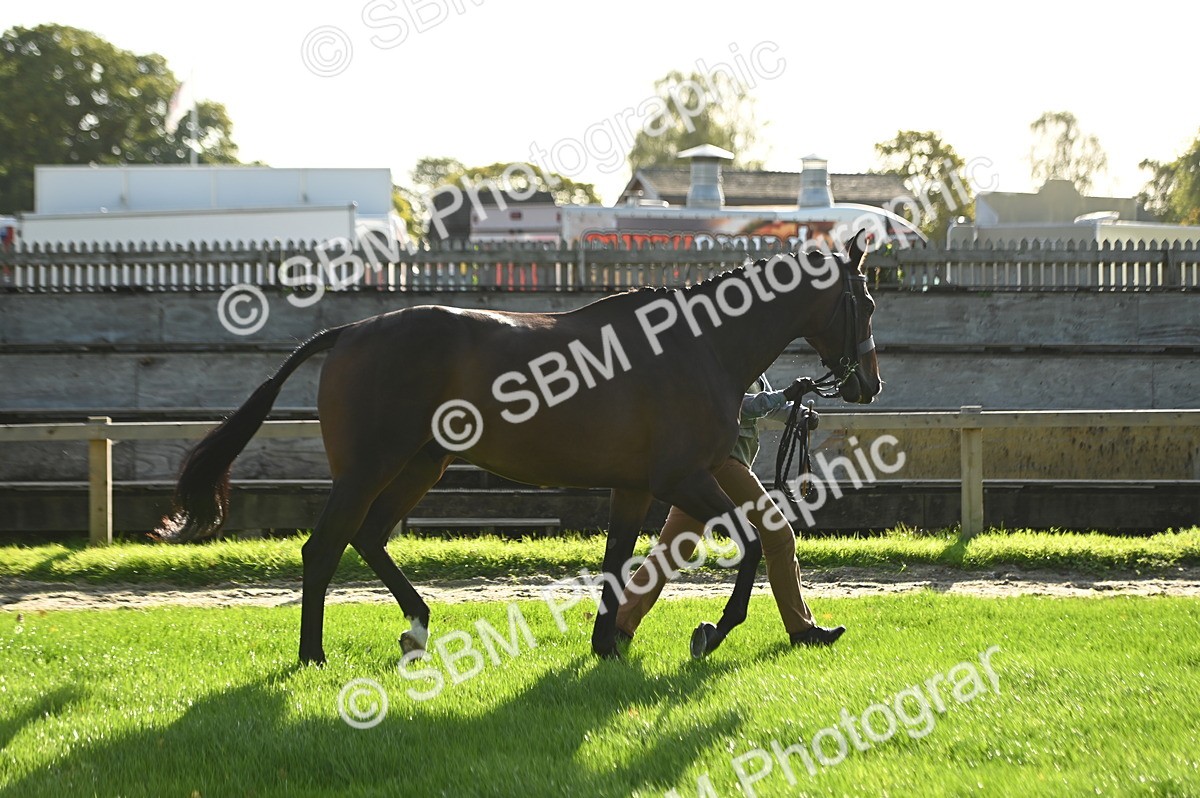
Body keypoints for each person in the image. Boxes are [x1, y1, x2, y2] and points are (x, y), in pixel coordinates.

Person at [615, 373, 846, 651]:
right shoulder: (720, 356)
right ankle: (802, 629)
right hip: (724, 464)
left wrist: (797, 415)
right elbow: (740, 405)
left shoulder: (753, 366)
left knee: (673, 549)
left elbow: (767, 405)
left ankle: (618, 625)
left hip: (704, 470)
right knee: (778, 535)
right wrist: (785, 395)